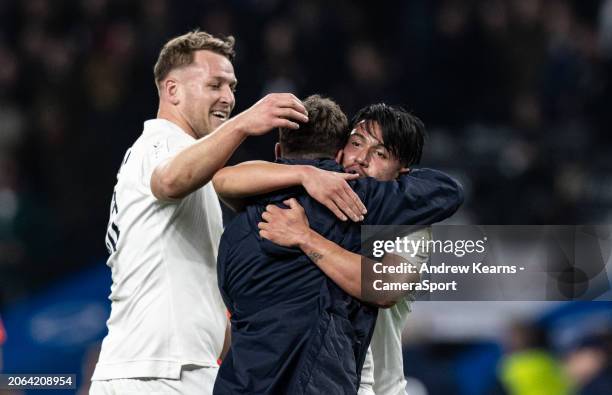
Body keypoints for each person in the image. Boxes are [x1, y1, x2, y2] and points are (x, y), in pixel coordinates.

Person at [89, 30, 311, 395]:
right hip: (164, 373)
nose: (228, 98)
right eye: (215, 85)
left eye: (232, 86)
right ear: (172, 90)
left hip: (143, 367)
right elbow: (171, 179)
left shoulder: (183, 163)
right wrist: (244, 124)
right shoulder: (161, 142)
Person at [212, 96, 463, 393]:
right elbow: (224, 180)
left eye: (380, 154)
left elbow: (384, 288)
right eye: (356, 143)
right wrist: (306, 174)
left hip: (375, 388)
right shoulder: (305, 198)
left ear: (402, 176)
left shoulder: (409, 223)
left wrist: (306, 238)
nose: (361, 159)